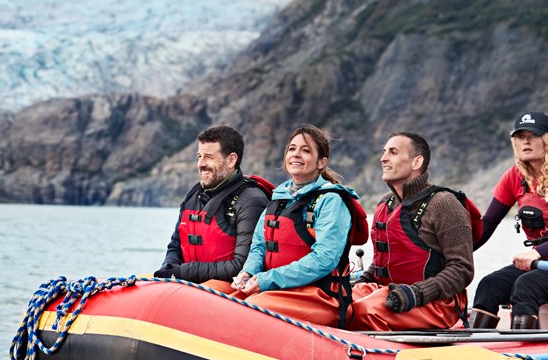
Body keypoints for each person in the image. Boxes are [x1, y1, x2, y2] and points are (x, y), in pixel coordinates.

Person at [228, 124, 366, 328]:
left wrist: (268, 279)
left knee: (250, 308)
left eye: (306, 150)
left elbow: (324, 259)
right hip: (278, 291)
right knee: (225, 302)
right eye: (292, 149)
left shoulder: (331, 201)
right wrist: (247, 273)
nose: (296, 155)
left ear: (321, 162)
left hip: (320, 296)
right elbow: (259, 245)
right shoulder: (278, 198)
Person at [349, 132, 474, 330]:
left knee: (364, 310)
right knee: (336, 303)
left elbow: (462, 269)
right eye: (384, 152)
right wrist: (355, 286)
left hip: (435, 303)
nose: (383, 158)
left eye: (393, 152)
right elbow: (382, 263)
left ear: (416, 162)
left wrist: (415, 294)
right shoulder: (385, 204)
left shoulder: (444, 204)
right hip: (387, 294)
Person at [155, 125, 271, 283]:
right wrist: (168, 268)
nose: (201, 164)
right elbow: (175, 245)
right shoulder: (193, 197)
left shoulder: (251, 201)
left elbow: (242, 266)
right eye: (199, 156)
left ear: (231, 160)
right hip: (188, 287)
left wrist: (181, 272)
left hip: (228, 293)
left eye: (208, 157)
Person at [470, 111, 548, 329]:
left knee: (527, 286)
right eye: (520, 136)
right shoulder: (515, 176)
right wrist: (454, 253)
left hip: (538, 260)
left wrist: (537, 253)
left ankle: (526, 357)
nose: (526, 141)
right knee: (489, 284)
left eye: (533, 135)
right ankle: (476, 350)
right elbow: (486, 224)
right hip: (538, 263)